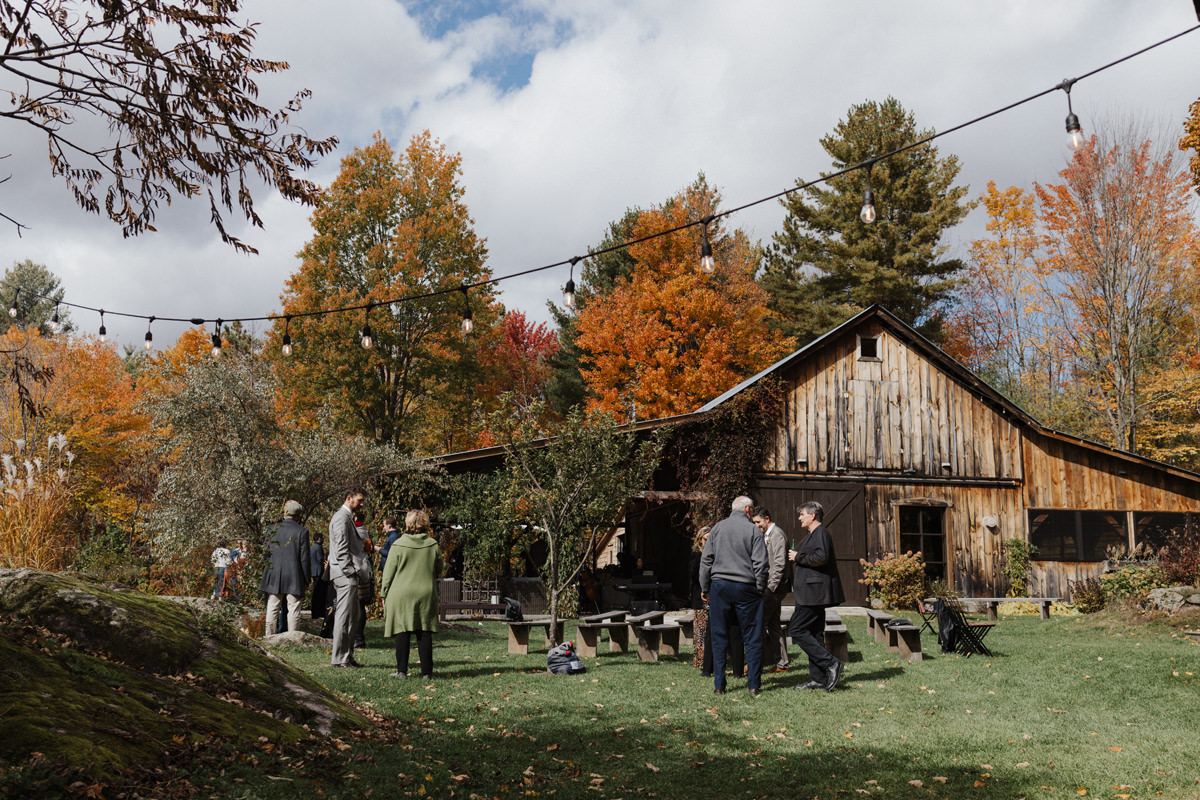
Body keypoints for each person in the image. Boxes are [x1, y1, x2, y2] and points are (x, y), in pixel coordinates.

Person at [699, 495, 768, 696]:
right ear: (747, 509)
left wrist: (705, 588)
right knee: (752, 636)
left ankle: (719, 685)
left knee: (719, 635)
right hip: (746, 586)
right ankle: (753, 685)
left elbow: (706, 561)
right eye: (752, 509)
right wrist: (760, 588)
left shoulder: (717, 529)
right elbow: (761, 564)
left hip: (720, 586)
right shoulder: (754, 531)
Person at [788, 501, 847, 692]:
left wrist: (798, 557)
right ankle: (818, 679)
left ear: (812, 515)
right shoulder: (814, 535)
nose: (799, 518)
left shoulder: (820, 533)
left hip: (813, 594)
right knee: (814, 633)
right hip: (811, 593)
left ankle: (831, 663)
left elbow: (821, 557)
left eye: (802, 514)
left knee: (796, 630)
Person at [381, 509, 441, 679]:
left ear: (407, 523)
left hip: (401, 593)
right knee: (424, 631)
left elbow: (389, 573)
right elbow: (439, 569)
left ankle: (401, 671)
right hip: (426, 592)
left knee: (402, 630)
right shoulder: (433, 544)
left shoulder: (398, 544)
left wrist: (384, 593)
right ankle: (427, 673)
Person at [329, 486, 369, 668]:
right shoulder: (341, 518)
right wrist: (350, 571)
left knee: (353, 616)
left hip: (347, 573)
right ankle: (340, 658)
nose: (362, 504)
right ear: (348, 498)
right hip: (345, 574)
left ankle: (347, 656)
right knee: (344, 617)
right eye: (359, 500)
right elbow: (341, 548)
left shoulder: (347, 517)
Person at [259, 500, 311, 635]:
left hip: (274, 573)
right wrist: (307, 579)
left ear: (285, 513)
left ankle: (269, 637)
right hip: (294, 575)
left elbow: (265, 553)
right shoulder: (302, 531)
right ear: (299, 515)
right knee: (293, 609)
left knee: (272, 608)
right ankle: (293, 638)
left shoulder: (272, 529)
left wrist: (268, 569)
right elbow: (304, 558)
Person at [753, 506, 792, 673]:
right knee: (774, 625)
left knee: (758, 623)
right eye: (754, 522)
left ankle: (757, 662)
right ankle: (782, 663)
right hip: (773, 588)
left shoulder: (777, 535)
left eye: (758, 522)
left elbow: (779, 564)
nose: (756, 525)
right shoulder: (767, 535)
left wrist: (770, 588)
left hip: (774, 588)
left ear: (767, 519)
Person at [309, 532, 329, 622]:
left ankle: (314, 611)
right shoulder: (318, 548)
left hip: (313, 571)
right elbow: (320, 559)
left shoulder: (312, 548)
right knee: (318, 592)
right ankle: (317, 611)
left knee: (315, 591)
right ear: (319, 539)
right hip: (318, 572)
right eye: (322, 538)